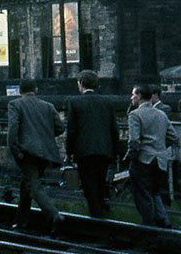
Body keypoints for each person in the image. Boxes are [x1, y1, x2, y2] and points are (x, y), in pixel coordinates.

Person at [8, 79, 66, 232]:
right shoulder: (48, 106)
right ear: (36, 90)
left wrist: (16, 151)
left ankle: (54, 215)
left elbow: (13, 131)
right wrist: (44, 135)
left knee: (34, 186)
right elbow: (60, 127)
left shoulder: (15, 105)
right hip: (44, 153)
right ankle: (21, 220)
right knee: (27, 183)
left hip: (26, 153)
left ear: (20, 91)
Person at [65, 70, 120, 218]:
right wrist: (115, 151)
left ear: (80, 84)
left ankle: (96, 215)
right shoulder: (107, 101)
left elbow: (72, 130)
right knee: (100, 182)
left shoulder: (75, 102)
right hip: (104, 149)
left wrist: (68, 152)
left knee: (89, 185)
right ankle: (101, 211)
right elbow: (114, 129)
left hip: (84, 151)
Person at [127, 84, 178, 228]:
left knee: (143, 195)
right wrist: (160, 146)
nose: (131, 98)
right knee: (155, 192)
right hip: (160, 160)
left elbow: (134, 140)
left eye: (133, 95)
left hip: (143, 159)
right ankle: (164, 222)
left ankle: (150, 227)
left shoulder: (135, 115)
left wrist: (133, 157)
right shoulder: (161, 114)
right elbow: (173, 137)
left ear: (140, 97)